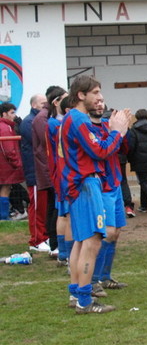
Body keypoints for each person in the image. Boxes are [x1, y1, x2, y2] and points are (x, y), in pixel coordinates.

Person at [60, 75, 130, 314]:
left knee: (81, 242)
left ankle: (77, 294)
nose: (100, 98)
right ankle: (84, 301)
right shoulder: (78, 120)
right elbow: (100, 151)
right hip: (86, 185)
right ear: (81, 95)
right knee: (91, 241)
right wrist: (118, 132)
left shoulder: (72, 119)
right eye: (96, 93)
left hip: (78, 185)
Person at [88, 95, 129, 293]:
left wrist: (124, 130)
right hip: (101, 186)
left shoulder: (108, 125)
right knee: (107, 232)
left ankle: (105, 277)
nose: (99, 103)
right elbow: (101, 151)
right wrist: (116, 132)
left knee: (116, 233)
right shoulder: (88, 129)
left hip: (115, 183)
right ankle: (93, 280)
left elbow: (122, 148)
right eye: (95, 100)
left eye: (101, 100)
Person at [32, 87, 65, 257]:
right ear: (56, 101)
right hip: (49, 170)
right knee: (54, 207)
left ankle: (57, 244)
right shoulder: (44, 119)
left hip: (51, 169)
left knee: (56, 207)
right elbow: (48, 147)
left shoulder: (47, 118)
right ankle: (54, 244)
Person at [21, 93, 50, 252]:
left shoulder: (38, 120)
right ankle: (36, 240)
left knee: (45, 207)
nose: (45, 105)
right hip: (35, 173)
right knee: (37, 206)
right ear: (34, 105)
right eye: (42, 103)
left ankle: (44, 236)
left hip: (42, 172)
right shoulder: (29, 122)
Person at [47, 92, 73, 266]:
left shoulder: (54, 122)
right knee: (66, 214)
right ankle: (66, 253)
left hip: (60, 172)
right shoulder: (56, 123)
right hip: (63, 172)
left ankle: (64, 253)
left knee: (63, 213)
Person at [0, 102, 23, 221]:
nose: (14, 115)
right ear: (4, 114)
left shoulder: (6, 126)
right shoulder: (5, 128)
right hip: (6, 165)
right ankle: (3, 217)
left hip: (4, 164)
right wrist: (16, 163)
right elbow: (8, 149)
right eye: (12, 112)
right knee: (6, 189)